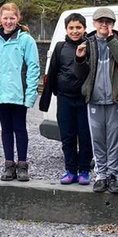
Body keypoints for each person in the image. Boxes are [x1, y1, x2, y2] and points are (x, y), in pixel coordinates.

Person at [80, 8, 118, 194]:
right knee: (98, 140)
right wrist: (79, 59)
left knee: (113, 140)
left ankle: (113, 176)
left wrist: (111, 41)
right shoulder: (88, 43)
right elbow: (80, 72)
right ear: (94, 23)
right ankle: (100, 175)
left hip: (114, 99)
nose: (104, 24)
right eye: (101, 21)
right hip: (94, 99)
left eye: (108, 22)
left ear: (113, 24)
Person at [0, 2, 40, 182]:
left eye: (12, 18)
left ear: (18, 18)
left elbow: (33, 67)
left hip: (19, 92)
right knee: (6, 129)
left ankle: (23, 164)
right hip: (1, 91)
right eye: (5, 18)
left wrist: (31, 93)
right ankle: (9, 164)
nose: (9, 21)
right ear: (0, 19)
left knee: (20, 128)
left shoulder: (26, 40)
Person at [40, 12, 92, 185]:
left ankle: (84, 170)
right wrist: (47, 99)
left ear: (85, 29)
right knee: (67, 136)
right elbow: (52, 72)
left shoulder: (90, 47)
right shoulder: (60, 47)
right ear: (66, 29)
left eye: (78, 27)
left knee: (85, 136)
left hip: (85, 99)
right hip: (64, 98)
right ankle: (70, 170)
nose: (75, 31)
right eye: (71, 28)